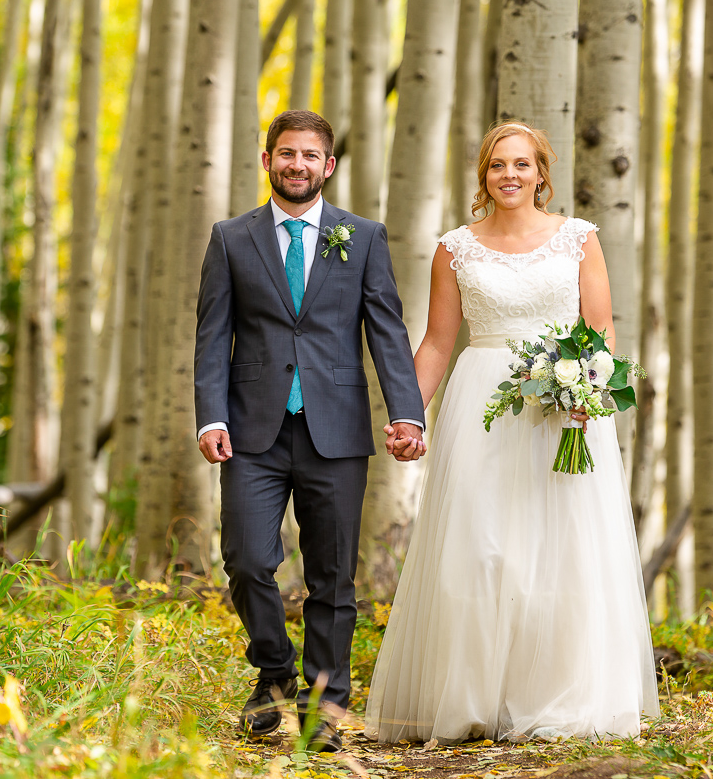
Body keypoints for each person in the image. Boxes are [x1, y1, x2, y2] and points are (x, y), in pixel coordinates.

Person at [364, 121, 660, 744]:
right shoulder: (456, 248)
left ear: (541, 174)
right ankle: (475, 697)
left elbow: (600, 331)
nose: (510, 175)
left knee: (562, 552)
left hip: (563, 405)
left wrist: (589, 388)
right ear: (483, 174)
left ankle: (557, 697)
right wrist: (407, 414)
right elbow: (439, 343)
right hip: (482, 406)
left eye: (522, 165)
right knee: (480, 549)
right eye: (498, 165)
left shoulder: (578, 239)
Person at [194, 110, 428, 753]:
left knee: (332, 575)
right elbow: (213, 335)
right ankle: (273, 675)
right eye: (286, 153)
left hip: (337, 430)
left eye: (310, 156)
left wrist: (406, 411)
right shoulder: (230, 238)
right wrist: (210, 415)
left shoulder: (363, 236)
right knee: (245, 559)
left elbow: (386, 328)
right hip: (251, 432)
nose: (297, 164)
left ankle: (328, 701)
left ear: (329, 166)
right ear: (267, 160)